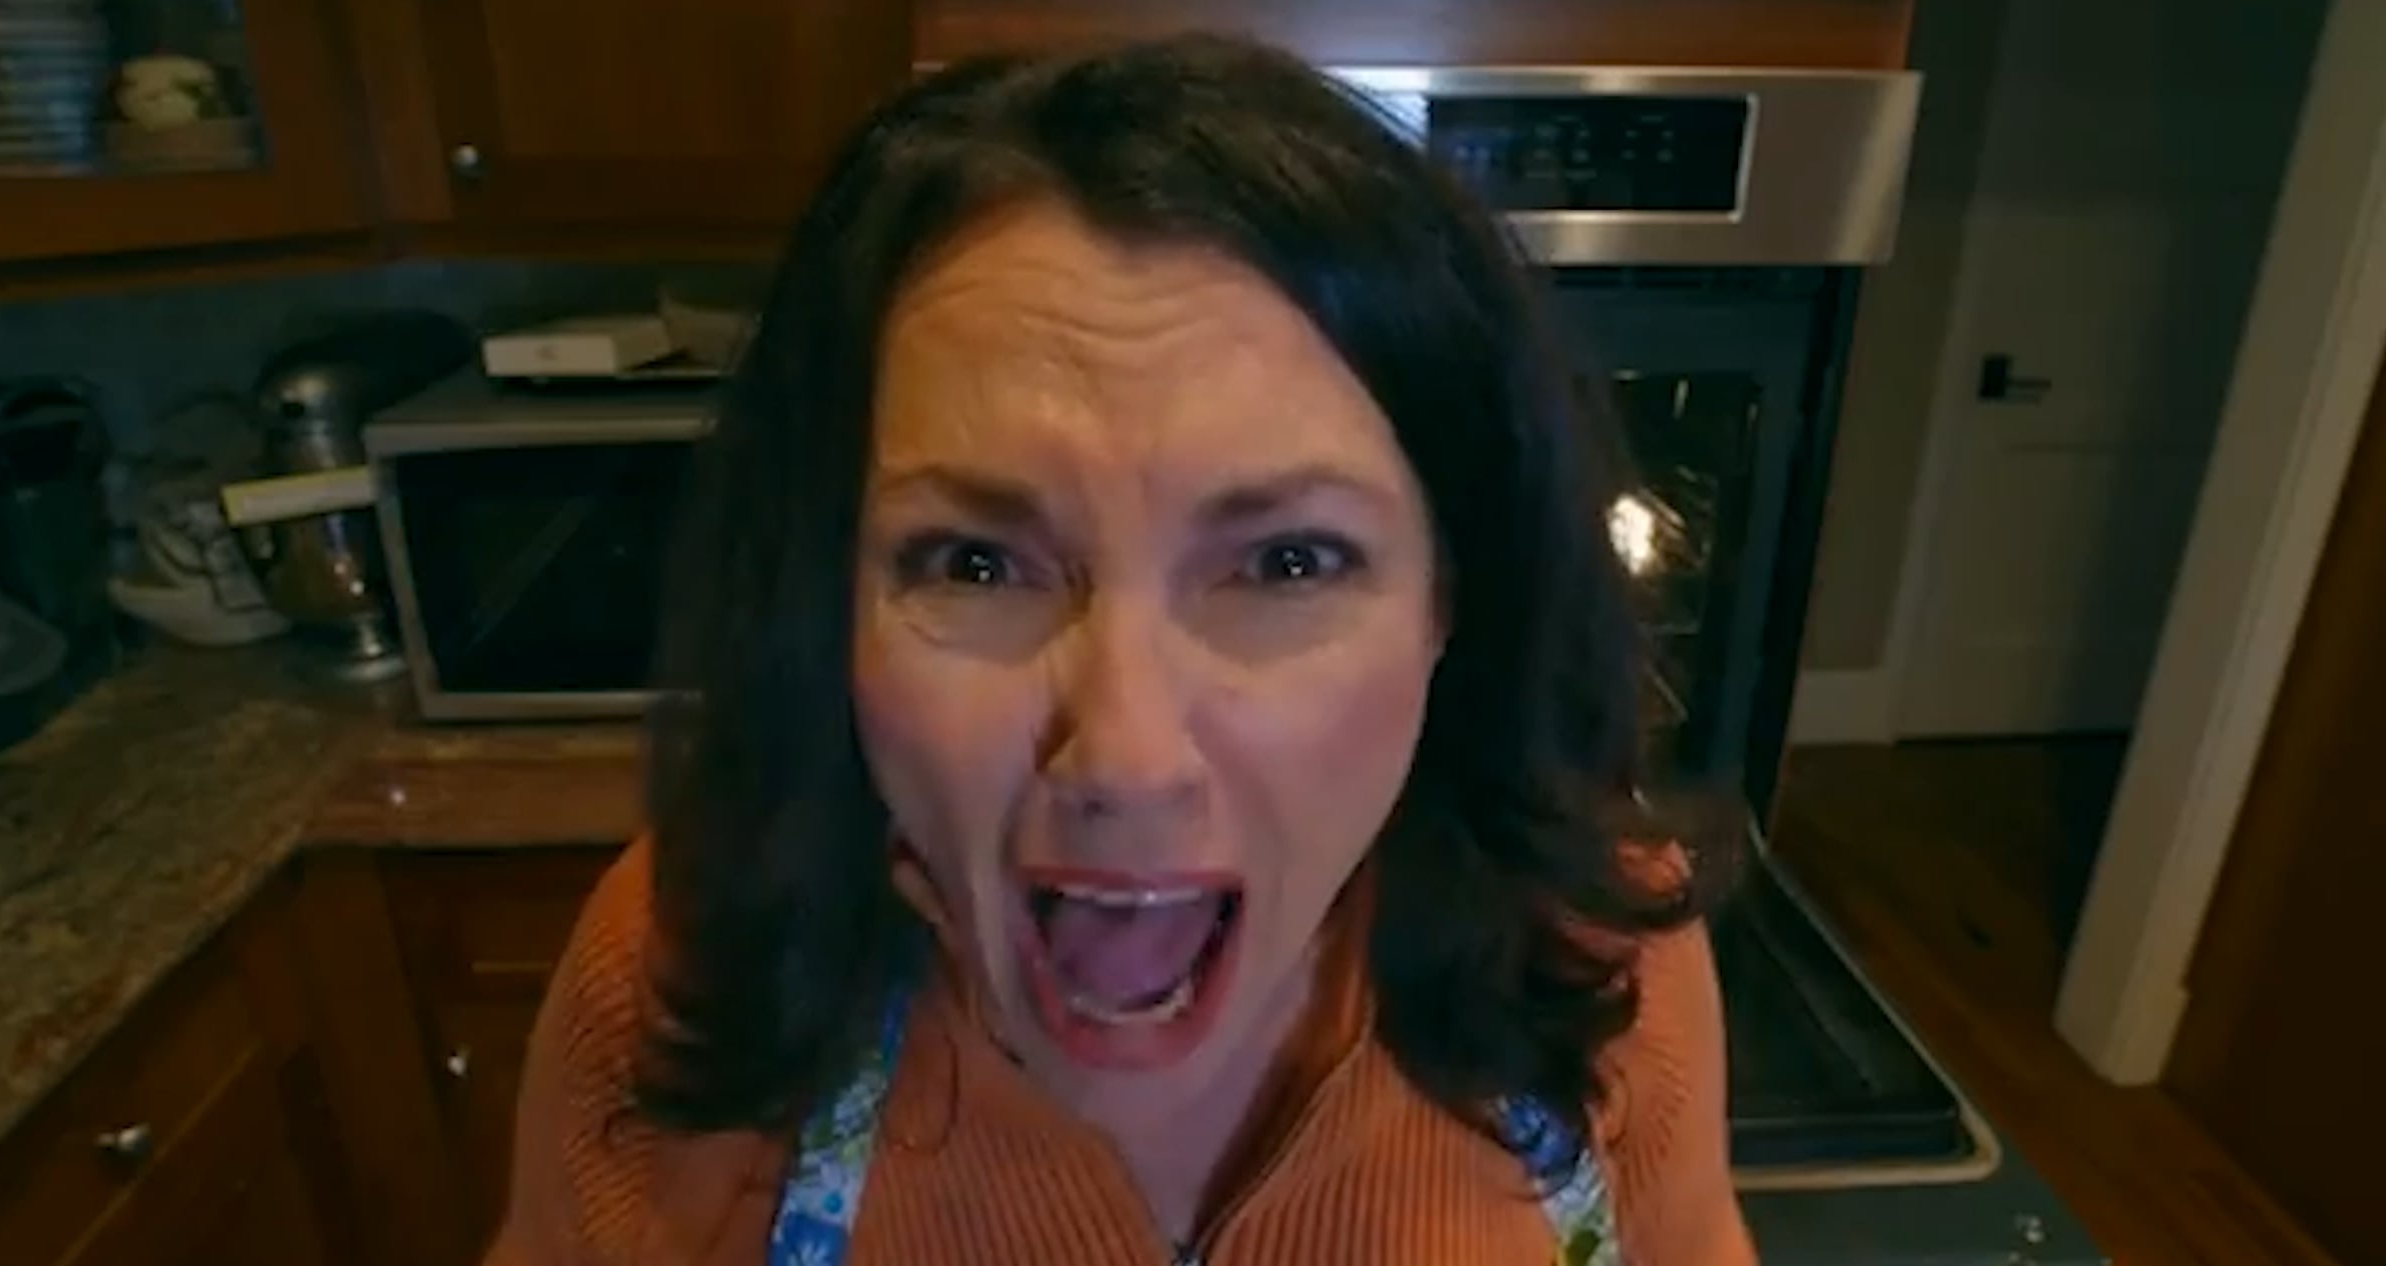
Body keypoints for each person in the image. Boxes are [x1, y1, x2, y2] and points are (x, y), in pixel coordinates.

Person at [491, 33, 1754, 1266]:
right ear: (830, 602)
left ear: (1452, 602)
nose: (1126, 760)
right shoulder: (686, 964)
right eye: (975, 564)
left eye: (1287, 563)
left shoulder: (1596, 960)